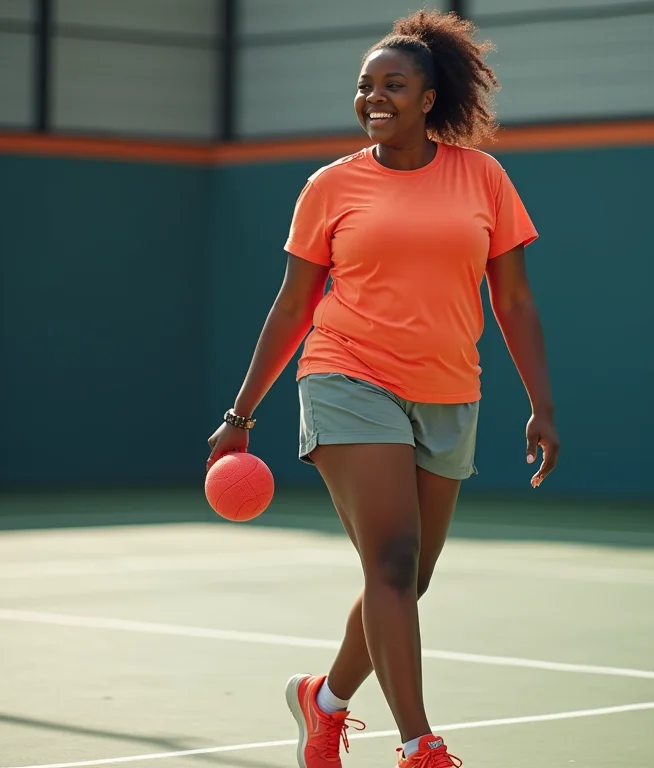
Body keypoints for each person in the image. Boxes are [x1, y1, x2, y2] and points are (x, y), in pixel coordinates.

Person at [207, 9, 559, 768]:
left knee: (410, 578)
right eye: (365, 85)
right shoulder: (330, 187)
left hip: (449, 390)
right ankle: (418, 744)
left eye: (393, 85)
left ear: (430, 99)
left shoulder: (484, 177)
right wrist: (242, 412)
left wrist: (543, 405)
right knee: (392, 561)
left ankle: (324, 701)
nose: (374, 97)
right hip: (346, 375)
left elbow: (515, 301)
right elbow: (295, 305)